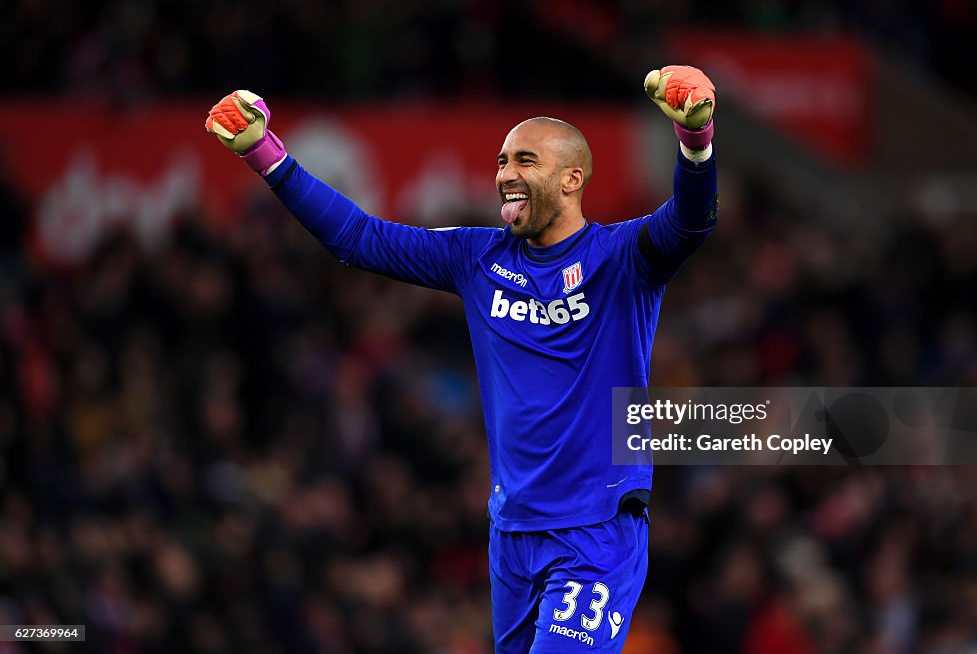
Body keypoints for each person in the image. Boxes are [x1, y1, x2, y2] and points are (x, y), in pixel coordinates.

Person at [204, 64, 719, 653]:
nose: (506, 174)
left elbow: (690, 222)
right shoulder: (476, 258)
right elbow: (358, 239)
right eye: (502, 161)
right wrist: (266, 156)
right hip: (512, 532)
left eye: (526, 161)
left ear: (573, 178)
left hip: (595, 533)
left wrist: (695, 143)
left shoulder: (621, 258)